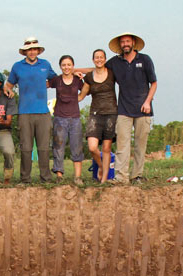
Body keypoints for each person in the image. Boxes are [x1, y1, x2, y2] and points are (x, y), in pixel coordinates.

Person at [106, 32, 157, 184]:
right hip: (123, 109)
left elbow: (153, 83)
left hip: (143, 109)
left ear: (133, 43)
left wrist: (147, 101)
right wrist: (75, 71)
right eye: (122, 42)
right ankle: (121, 177)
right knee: (122, 145)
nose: (125, 44)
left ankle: (137, 176)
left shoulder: (145, 59)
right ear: (119, 45)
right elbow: (99, 69)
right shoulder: (115, 62)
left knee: (140, 145)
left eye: (128, 41)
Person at [4, 37, 57, 184]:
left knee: (44, 147)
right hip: (24, 112)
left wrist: (74, 73)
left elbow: (56, 80)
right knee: (26, 148)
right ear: (25, 51)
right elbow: (8, 85)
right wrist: (9, 91)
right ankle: (25, 179)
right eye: (29, 49)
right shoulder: (17, 66)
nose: (32, 52)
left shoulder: (45, 65)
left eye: (35, 49)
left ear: (38, 50)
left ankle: (46, 178)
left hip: (43, 112)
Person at [78, 49, 117, 184]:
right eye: (96, 57)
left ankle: (104, 179)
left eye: (101, 57)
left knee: (106, 148)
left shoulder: (112, 73)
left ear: (105, 59)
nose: (99, 59)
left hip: (111, 113)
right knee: (92, 147)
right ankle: (100, 166)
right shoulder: (89, 77)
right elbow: (81, 96)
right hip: (95, 114)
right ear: (93, 60)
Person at [48, 55, 85, 185]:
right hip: (59, 117)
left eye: (69, 65)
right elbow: (44, 85)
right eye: (64, 65)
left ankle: (78, 177)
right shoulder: (56, 80)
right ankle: (59, 175)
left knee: (77, 146)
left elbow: (87, 88)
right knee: (58, 146)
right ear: (60, 67)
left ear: (73, 66)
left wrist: (80, 97)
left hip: (75, 117)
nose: (66, 67)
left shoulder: (77, 80)